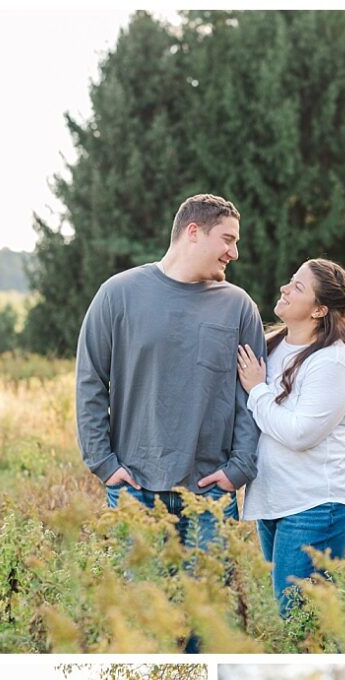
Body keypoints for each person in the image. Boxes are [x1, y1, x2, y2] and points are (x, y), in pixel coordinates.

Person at [76, 193, 266, 554]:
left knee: (209, 608)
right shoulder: (117, 295)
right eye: (228, 240)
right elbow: (90, 383)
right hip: (134, 489)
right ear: (193, 232)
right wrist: (104, 464)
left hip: (211, 495)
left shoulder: (239, 307)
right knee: (137, 609)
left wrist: (238, 470)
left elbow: (251, 397)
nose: (234, 253)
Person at [237, 258, 345, 617]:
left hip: (317, 505)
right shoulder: (272, 346)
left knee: (303, 622)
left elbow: (299, 434)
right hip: (276, 500)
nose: (285, 288)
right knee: (302, 618)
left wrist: (256, 390)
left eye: (298, 287)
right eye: (290, 280)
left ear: (319, 310)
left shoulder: (332, 362)